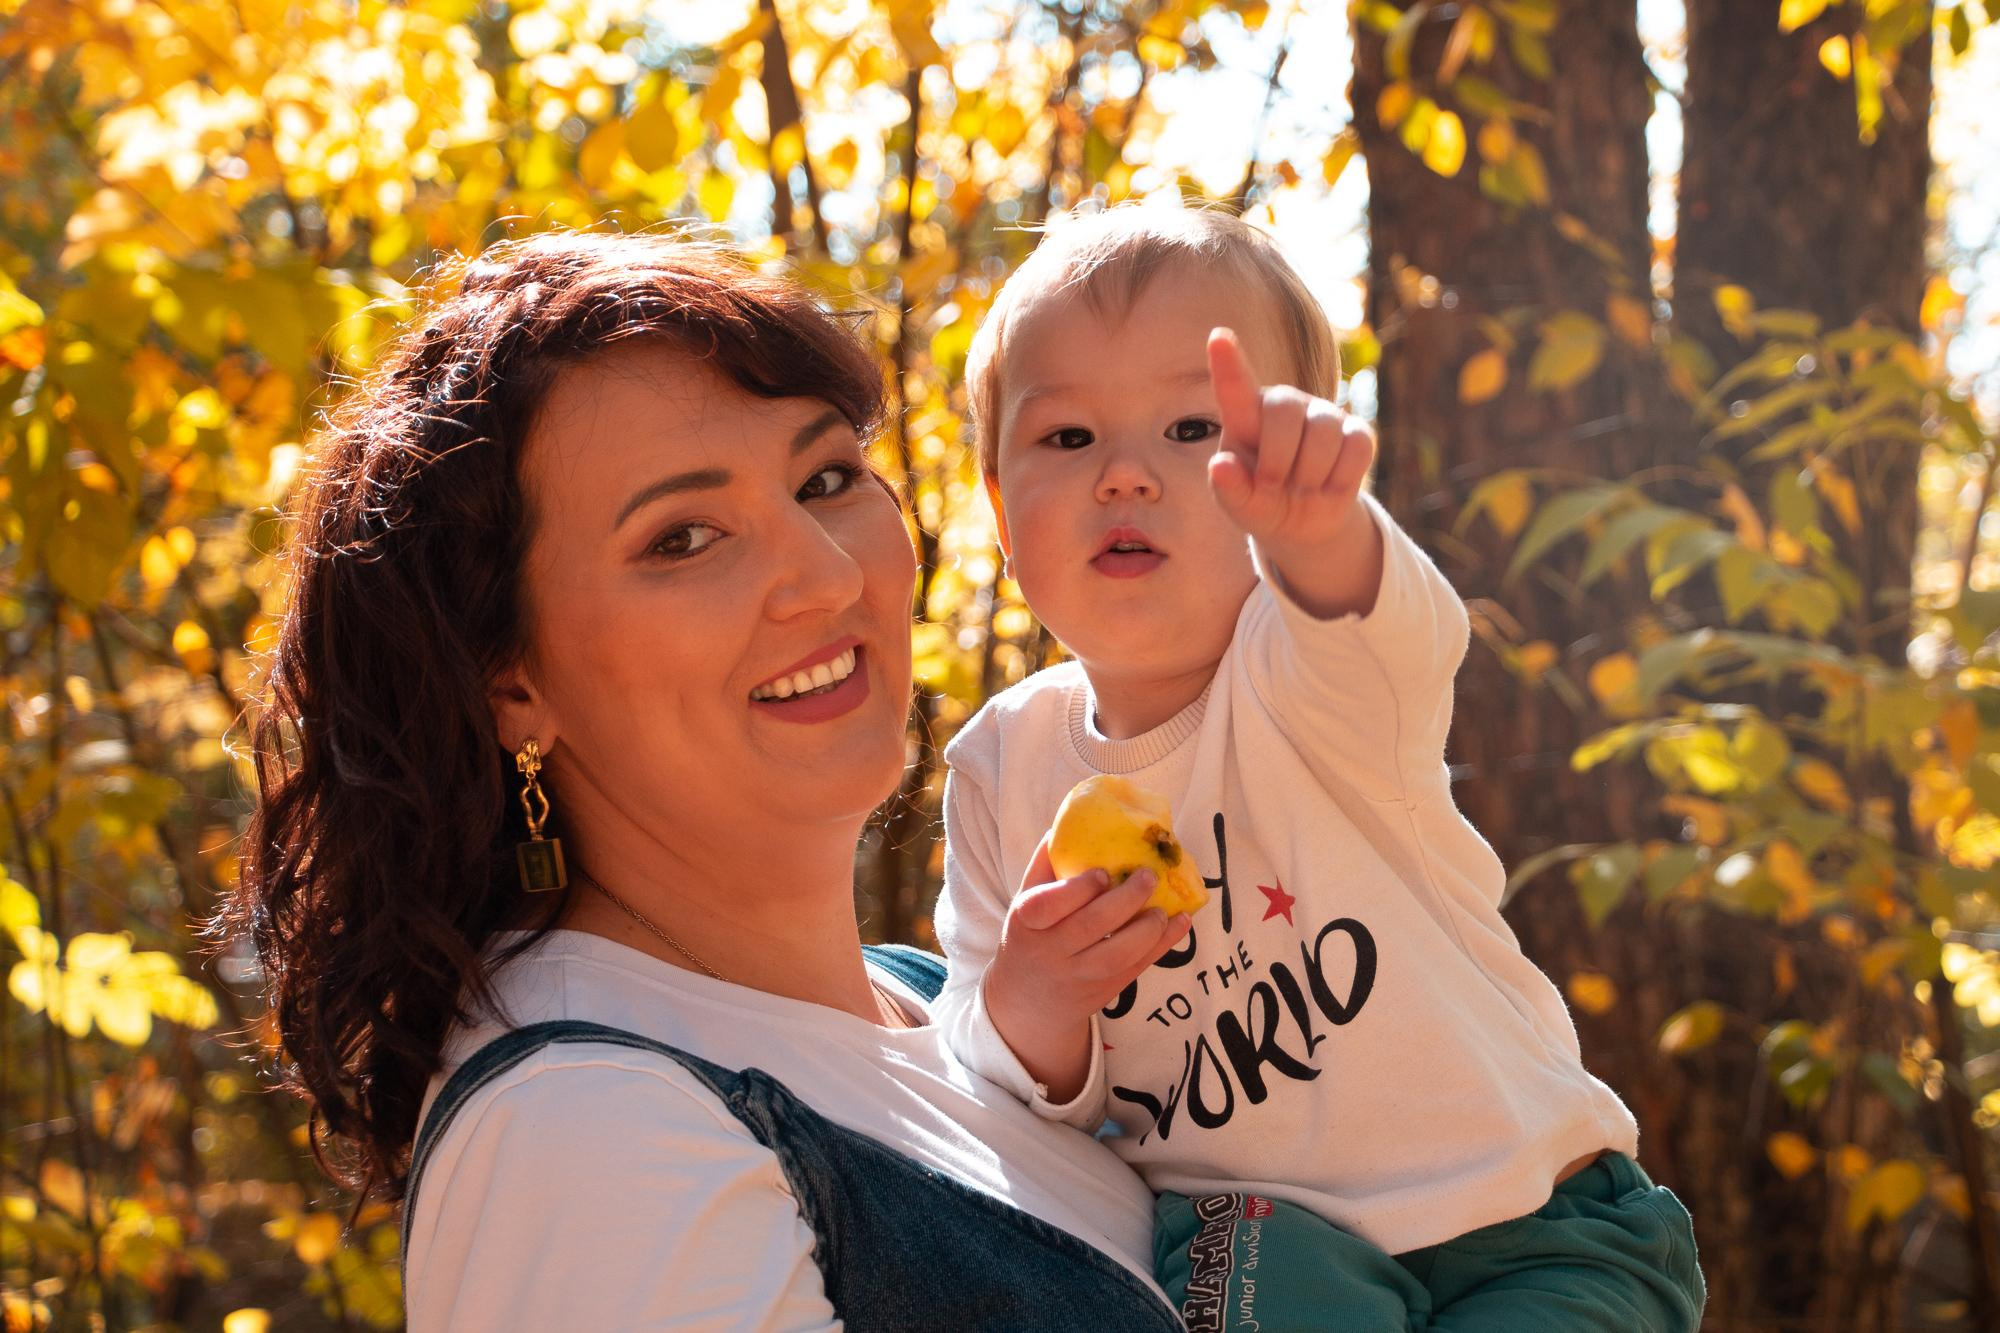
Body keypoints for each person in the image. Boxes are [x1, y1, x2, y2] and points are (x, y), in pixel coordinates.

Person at [230, 230, 1186, 1330]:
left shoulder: (954, 997)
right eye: (682, 538)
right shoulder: (583, 1139)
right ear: (508, 684)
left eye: (826, 478)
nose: (827, 578)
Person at [931, 204, 1707, 1330]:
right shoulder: (1005, 766)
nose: (1126, 476)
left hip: (1529, 1223)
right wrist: (1030, 1004)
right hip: (1258, 1248)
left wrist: (1319, 534)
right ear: (1000, 513)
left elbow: (1388, 630)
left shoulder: (1301, 670)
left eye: (1193, 430)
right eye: (1067, 439)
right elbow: (986, 1067)